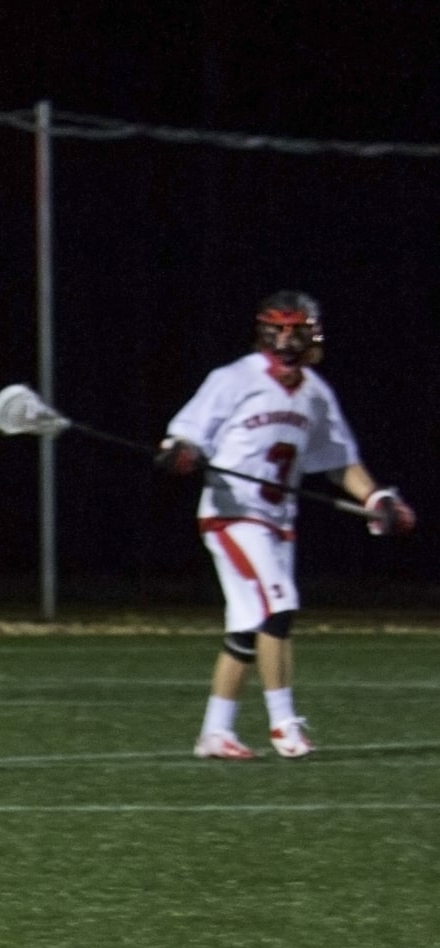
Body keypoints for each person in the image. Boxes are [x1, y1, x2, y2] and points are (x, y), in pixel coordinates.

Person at [161, 291, 413, 759]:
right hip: (232, 514)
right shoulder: (234, 378)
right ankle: (284, 725)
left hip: (278, 523)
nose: (285, 338)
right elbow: (187, 436)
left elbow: (341, 462)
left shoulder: (316, 393)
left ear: (310, 333)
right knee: (279, 604)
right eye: (277, 328)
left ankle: (216, 732)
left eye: (294, 329)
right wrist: (182, 453)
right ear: (263, 330)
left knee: (247, 626)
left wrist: (375, 497)